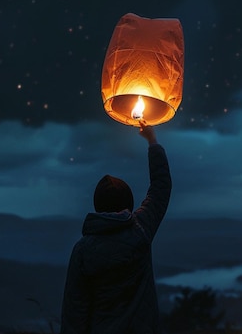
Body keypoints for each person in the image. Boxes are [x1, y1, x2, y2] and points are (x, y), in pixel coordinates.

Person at [60, 121, 172, 333]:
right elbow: (160, 187)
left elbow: (74, 310)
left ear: (97, 205)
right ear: (128, 203)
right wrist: (152, 142)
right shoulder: (141, 230)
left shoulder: (83, 250)